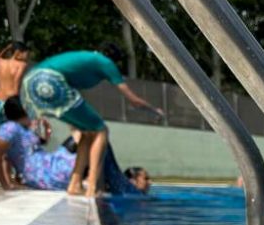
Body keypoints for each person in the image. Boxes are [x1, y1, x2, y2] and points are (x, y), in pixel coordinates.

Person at [22, 46, 163, 197]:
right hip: (50, 81)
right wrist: (155, 110)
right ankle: (92, 186)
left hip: (30, 83)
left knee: (88, 132)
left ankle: (74, 184)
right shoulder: (106, 63)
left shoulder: (87, 59)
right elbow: (134, 100)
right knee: (101, 130)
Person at [0, 96, 78, 191]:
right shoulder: (10, 128)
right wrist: (5, 184)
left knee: (81, 135)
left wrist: (47, 128)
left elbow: (41, 142)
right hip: (42, 173)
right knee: (83, 140)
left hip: (49, 163)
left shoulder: (25, 129)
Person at [0, 42, 31, 125]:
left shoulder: (1, 62)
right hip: (12, 103)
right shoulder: (22, 65)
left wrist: (7, 48)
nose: (27, 57)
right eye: (25, 54)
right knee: (17, 131)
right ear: (18, 52)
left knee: (2, 132)